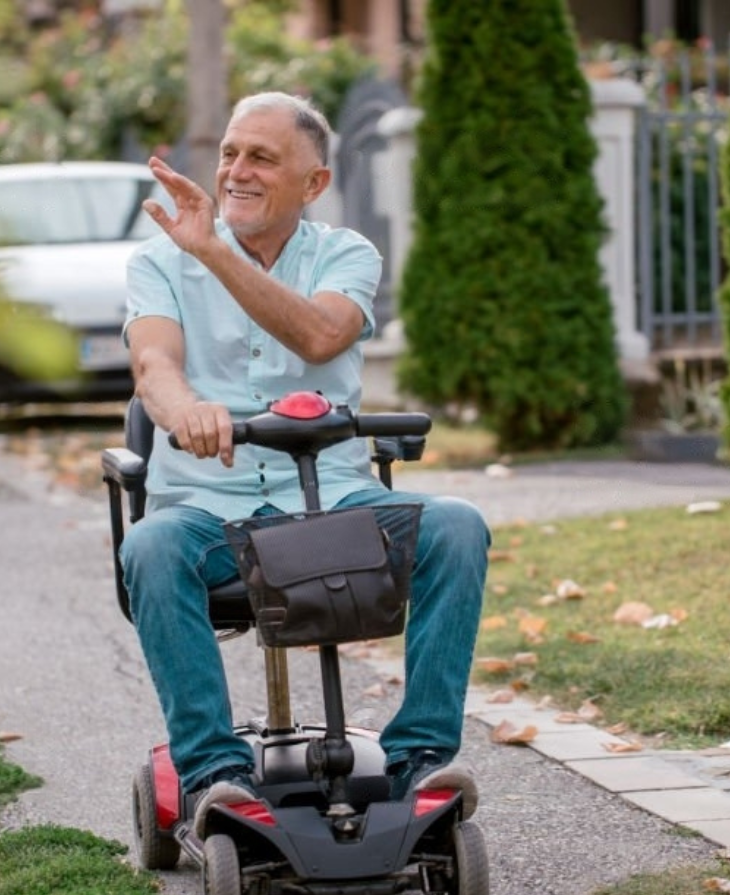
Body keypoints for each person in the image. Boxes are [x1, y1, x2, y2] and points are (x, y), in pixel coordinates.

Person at [120, 92, 490, 836]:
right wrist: (183, 406)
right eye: (230, 153)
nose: (237, 171)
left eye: (262, 157)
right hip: (207, 513)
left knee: (457, 528)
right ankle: (215, 775)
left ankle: (420, 761)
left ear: (313, 184)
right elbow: (153, 364)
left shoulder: (347, 254)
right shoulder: (158, 261)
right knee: (151, 546)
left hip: (334, 505)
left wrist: (216, 253)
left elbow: (323, 336)